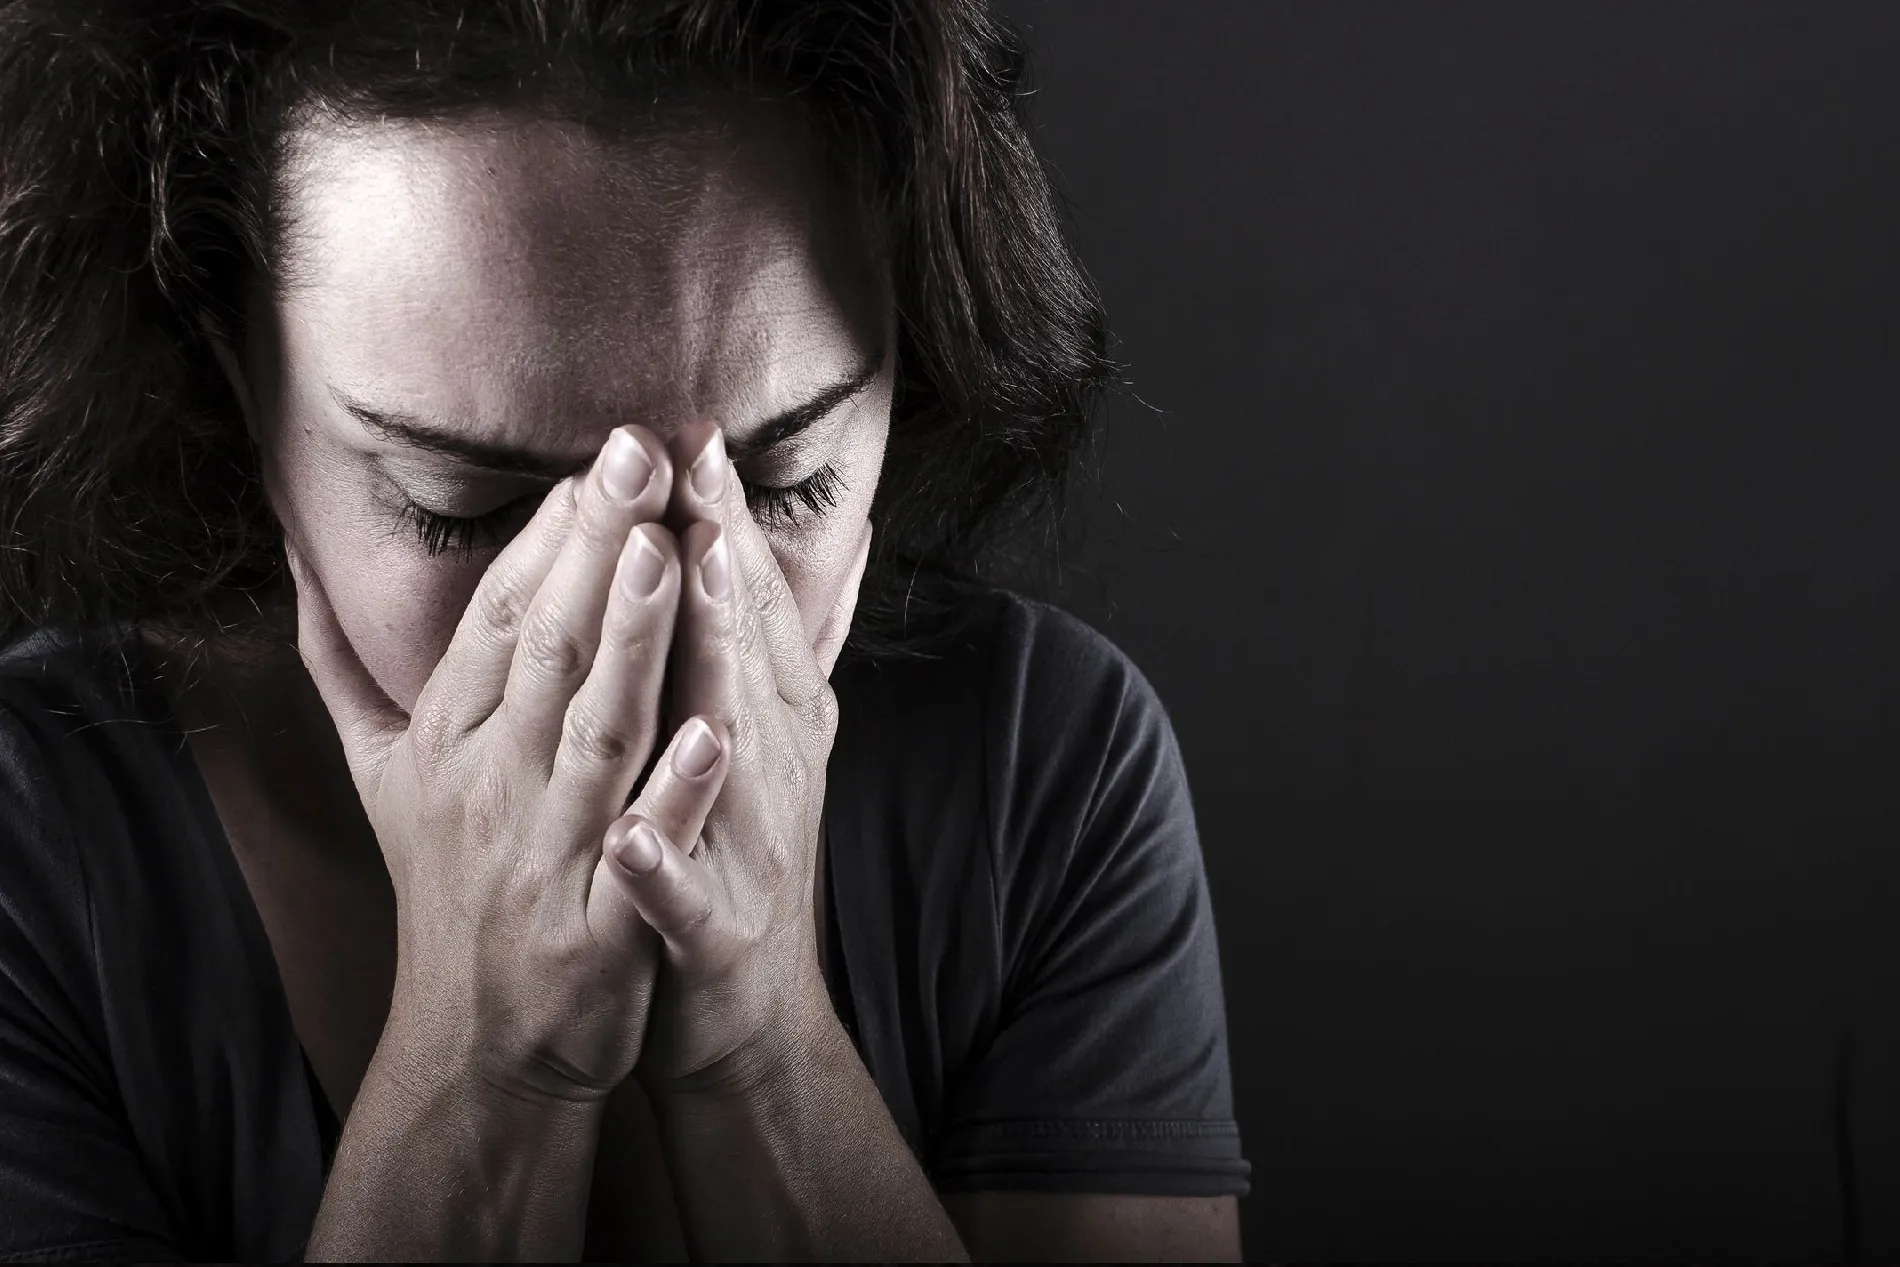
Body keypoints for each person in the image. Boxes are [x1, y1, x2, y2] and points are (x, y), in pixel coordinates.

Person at [0, 0, 1249, 1259]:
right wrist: (489, 1060)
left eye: (784, 482)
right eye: (465, 510)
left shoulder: (1046, 763)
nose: (627, 622)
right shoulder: (35, 850)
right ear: (238, 373)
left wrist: (763, 1051)